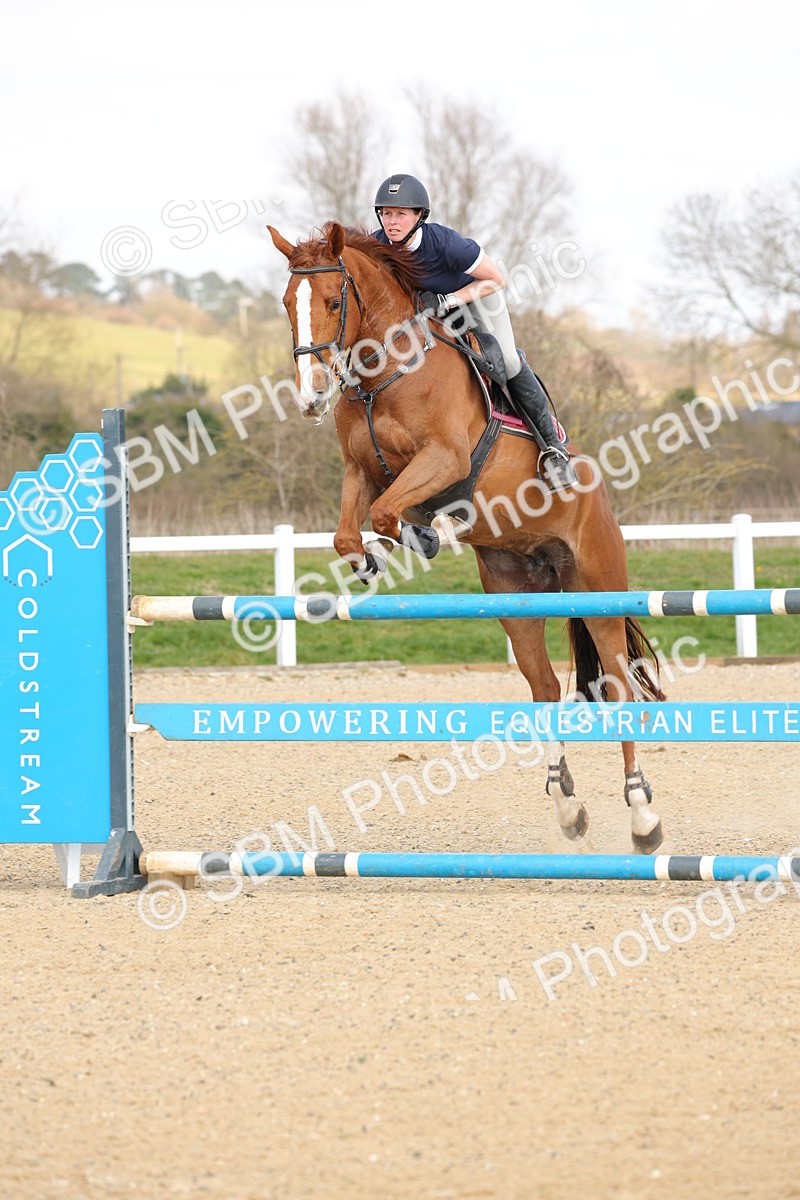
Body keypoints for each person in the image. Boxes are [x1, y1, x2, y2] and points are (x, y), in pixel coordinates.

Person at [372, 173, 577, 490]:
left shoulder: (446, 244)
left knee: (507, 362)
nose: (392, 222)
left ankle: (554, 451)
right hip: (429, 313)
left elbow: (496, 279)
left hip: (476, 299)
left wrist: (448, 300)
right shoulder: (377, 246)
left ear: (419, 216)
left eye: (400, 214)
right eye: (386, 213)